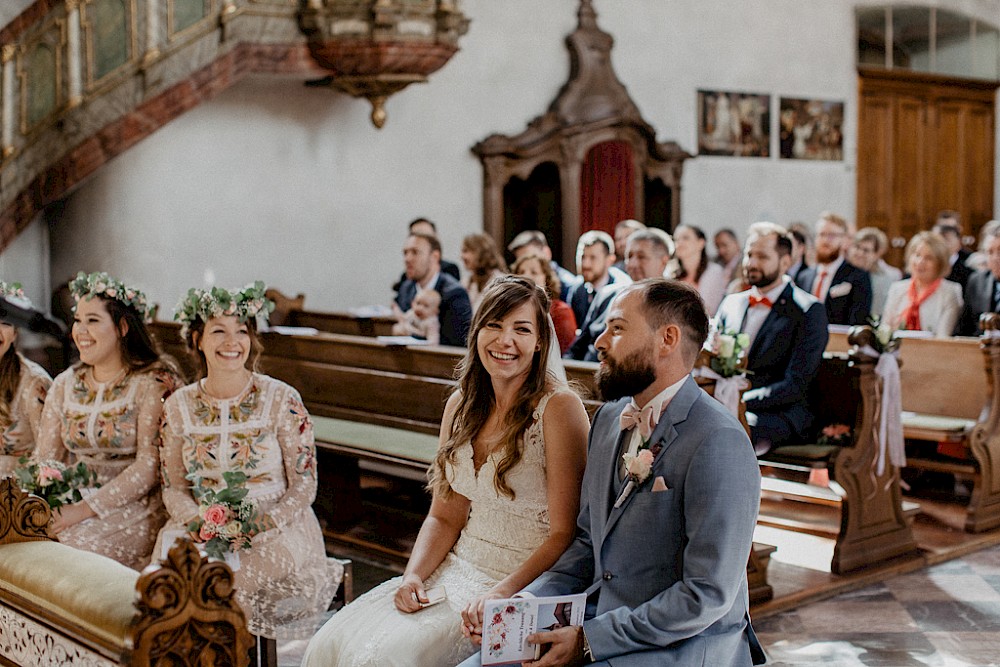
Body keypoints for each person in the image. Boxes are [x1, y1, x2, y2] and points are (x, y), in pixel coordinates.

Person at [459, 279, 764, 667]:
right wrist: (522, 606)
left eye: (617, 328)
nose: (600, 341)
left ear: (667, 338)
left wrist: (589, 640)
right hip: (599, 620)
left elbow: (705, 595)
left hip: (680, 646)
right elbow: (587, 543)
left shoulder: (718, 440)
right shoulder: (607, 419)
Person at [302, 275, 590, 667]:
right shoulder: (461, 405)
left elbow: (564, 532)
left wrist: (501, 594)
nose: (505, 341)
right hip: (453, 568)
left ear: (540, 342)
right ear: (476, 333)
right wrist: (413, 576)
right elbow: (444, 514)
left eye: (521, 329)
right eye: (494, 325)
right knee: (330, 642)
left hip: (517, 582)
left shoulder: (559, 409)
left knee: (387, 658)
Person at [154, 282, 341, 640]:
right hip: (202, 526)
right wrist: (198, 521)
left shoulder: (281, 398)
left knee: (221, 587)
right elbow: (173, 488)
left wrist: (262, 524)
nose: (232, 341)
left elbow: (305, 486)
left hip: (277, 528)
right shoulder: (178, 405)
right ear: (197, 339)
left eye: (241, 331)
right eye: (219, 331)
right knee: (168, 589)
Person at [34, 271, 183, 570]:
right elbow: (45, 458)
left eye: (93, 320)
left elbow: (149, 467)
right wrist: (42, 501)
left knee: (70, 553)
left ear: (123, 327)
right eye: (78, 320)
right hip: (72, 497)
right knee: (25, 539)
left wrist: (81, 511)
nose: (81, 331)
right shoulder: (65, 384)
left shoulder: (153, 382)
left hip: (135, 505)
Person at [717, 223, 828, 455]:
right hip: (730, 405)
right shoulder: (732, 303)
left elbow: (795, 384)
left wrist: (738, 400)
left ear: (786, 262)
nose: (752, 263)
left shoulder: (808, 310)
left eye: (762, 256)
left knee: (729, 430)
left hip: (781, 414)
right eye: (749, 255)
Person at [566, 228, 673, 362]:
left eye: (641, 257)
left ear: (663, 261)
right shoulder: (607, 295)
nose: (633, 264)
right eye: (629, 256)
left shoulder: (672, 305)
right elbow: (579, 345)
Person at [0, 282, 52, 475]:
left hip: (18, 496)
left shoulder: (35, 383)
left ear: (14, 333)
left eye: (5, 323)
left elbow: (50, 458)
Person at [395, 232, 473, 347]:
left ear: (435, 257)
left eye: (415, 252)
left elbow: (459, 345)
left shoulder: (455, 294)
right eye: (405, 253)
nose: (407, 258)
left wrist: (410, 333)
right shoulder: (406, 288)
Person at [795, 212, 872, 325]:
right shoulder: (803, 276)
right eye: (821, 234)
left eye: (832, 235)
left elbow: (857, 321)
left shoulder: (858, 277)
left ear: (844, 240)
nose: (825, 240)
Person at [883, 231, 964, 338]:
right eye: (917, 255)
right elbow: (884, 330)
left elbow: (943, 336)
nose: (920, 262)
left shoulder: (950, 292)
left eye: (928, 258)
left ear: (940, 263)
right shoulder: (897, 288)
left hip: (932, 352)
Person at [512, 254, 577, 354]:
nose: (526, 276)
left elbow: (562, 352)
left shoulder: (561, 311)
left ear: (546, 278)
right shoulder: (510, 310)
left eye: (534, 272)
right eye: (521, 272)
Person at [565, 230, 630, 325]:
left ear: (609, 260)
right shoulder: (577, 289)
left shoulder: (620, 293)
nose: (585, 264)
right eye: (582, 257)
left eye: (593, 258)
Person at [392, 218, 462, 295]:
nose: (407, 259)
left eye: (415, 252)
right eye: (415, 235)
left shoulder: (450, 275)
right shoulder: (406, 280)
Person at [507, 230, 579, 301]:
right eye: (520, 259)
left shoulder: (569, 286)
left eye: (531, 256)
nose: (526, 276)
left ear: (547, 253)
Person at [671, 224, 728, 314]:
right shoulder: (670, 273)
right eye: (676, 239)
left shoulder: (714, 271)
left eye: (685, 238)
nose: (679, 243)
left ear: (701, 243)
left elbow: (708, 310)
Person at [958, 223, 1000, 336]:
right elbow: (963, 329)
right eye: (990, 252)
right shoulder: (977, 281)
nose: (995, 258)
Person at [848, 227, 896, 317]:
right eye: (857, 247)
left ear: (877, 254)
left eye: (866, 250)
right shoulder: (844, 272)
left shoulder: (886, 279)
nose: (859, 253)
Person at [460, 233, 508, 313]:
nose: (462, 256)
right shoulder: (465, 283)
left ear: (480, 252)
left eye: (466, 251)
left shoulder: (501, 282)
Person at [933, 219, 973, 289]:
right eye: (936, 240)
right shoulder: (922, 266)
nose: (941, 244)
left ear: (958, 242)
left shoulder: (968, 270)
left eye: (946, 239)